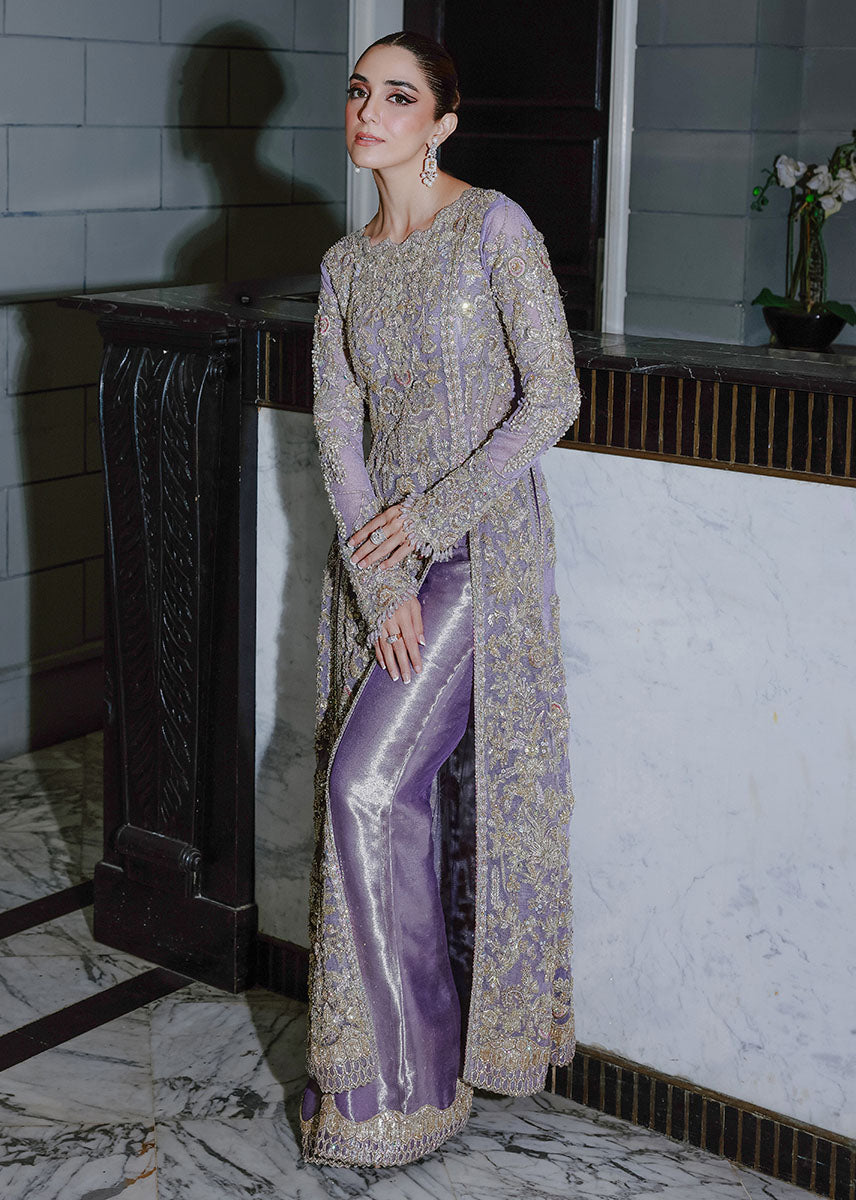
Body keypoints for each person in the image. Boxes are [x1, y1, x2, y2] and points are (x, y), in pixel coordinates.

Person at [300, 29, 582, 1168]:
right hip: (378, 571)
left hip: (480, 555)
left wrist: (427, 524)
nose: (369, 111)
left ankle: (419, 1075)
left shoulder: (494, 227)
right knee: (370, 793)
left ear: (442, 122)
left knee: (366, 785)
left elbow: (551, 396)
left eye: (398, 95)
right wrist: (381, 580)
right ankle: (384, 1087)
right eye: (359, 92)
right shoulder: (344, 266)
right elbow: (336, 435)